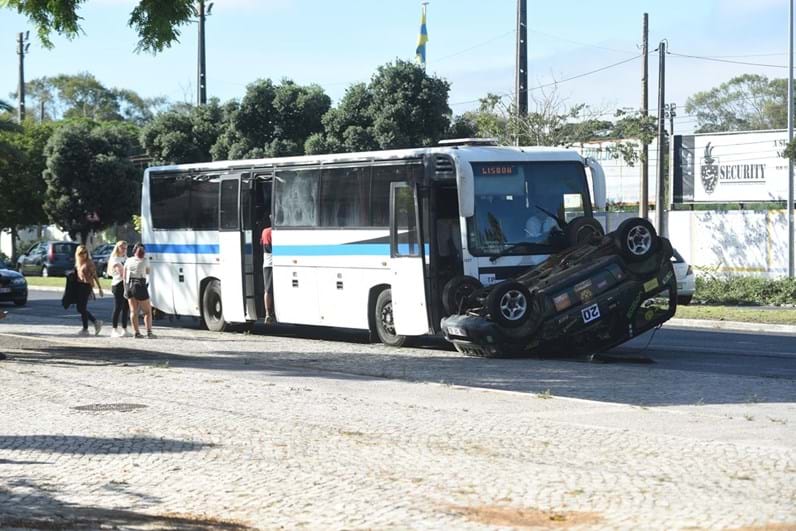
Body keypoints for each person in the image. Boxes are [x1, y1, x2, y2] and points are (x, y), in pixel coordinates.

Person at [75, 245, 103, 336]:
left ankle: (90, 325)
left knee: (81, 308)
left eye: (85, 252)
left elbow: (95, 276)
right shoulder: (79, 263)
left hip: (86, 286)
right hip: (80, 286)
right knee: (80, 308)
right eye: (81, 253)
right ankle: (89, 326)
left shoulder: (89, 263)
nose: (83, 255)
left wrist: (99, 288)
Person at [106, 240, 130, 338]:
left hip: (126, 283)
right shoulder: (115, 259)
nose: (124, 250)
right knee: (118, 307)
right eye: (122, 248)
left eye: (125, 248)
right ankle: (114, 329)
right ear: (118, 248)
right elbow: (121, 273)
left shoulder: (125, 258)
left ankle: (124, 329)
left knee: (126, 308)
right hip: (118, 284)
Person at [260, 219, 275, 324]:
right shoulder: (274, 232)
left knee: (268, 290)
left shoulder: (264, 231)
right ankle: (269, 314)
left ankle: (268, 313)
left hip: (267, 264)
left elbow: (261, 243)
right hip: (272, 263)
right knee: (270, 290)